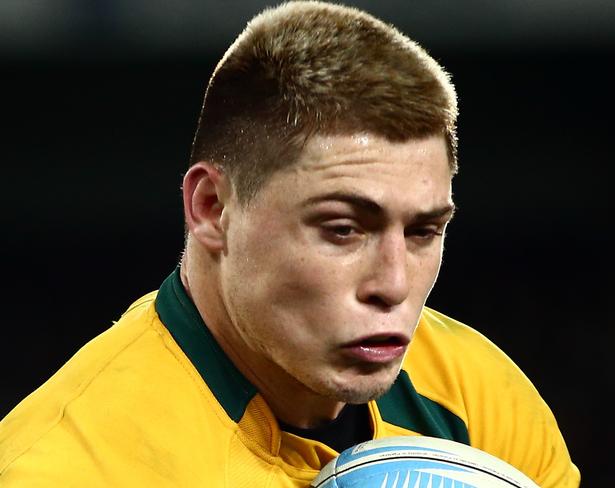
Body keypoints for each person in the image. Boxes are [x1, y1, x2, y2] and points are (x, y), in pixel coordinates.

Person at [0, 2, 580, 487]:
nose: (395, 285)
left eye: (423, 231)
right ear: (212, 209)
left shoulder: (477, 399)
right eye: (343, 229)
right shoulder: (68, 467)